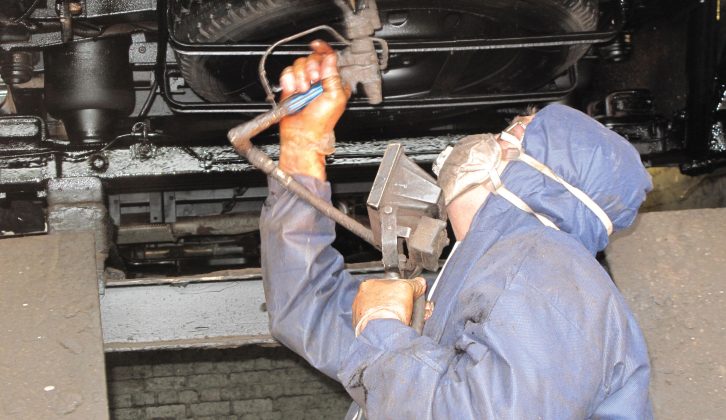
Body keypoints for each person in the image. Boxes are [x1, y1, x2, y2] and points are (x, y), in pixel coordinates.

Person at [259, 40, 654, 419]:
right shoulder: (477, 282)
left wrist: (381, 327)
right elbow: (309, 308)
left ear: (544, 177)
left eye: (514, 131)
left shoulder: (555, 278)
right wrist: (303, 146)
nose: (491, 137)